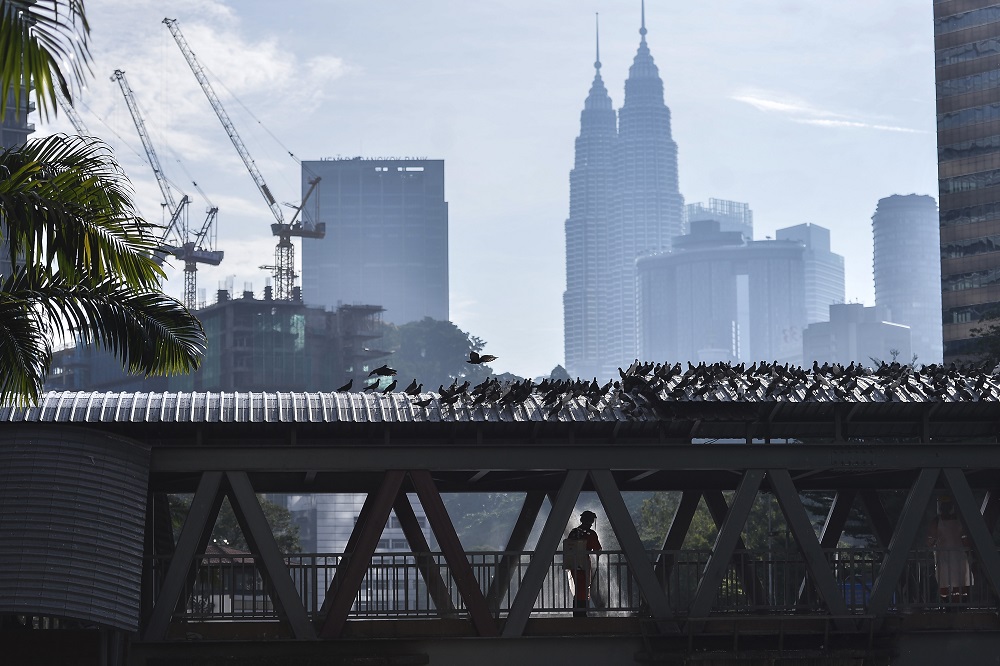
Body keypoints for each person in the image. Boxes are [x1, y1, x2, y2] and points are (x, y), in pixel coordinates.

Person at [927, 496, 972, 605]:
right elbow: (967, 541)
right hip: (954, 557)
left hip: (949, 557)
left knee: (950, 582)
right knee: (955, 581)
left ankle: (951, 604)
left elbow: (929, 542)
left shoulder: (937, 521)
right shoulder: (960, 520)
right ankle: (955, 604)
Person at [563, 510, 603, 617]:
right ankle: (582, 612)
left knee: (578, 587)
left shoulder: (574, 532)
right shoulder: (590, 534)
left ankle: (577, 611)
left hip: (573, 562)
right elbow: (597, 549)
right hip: (584, 562)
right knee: (584, 587)